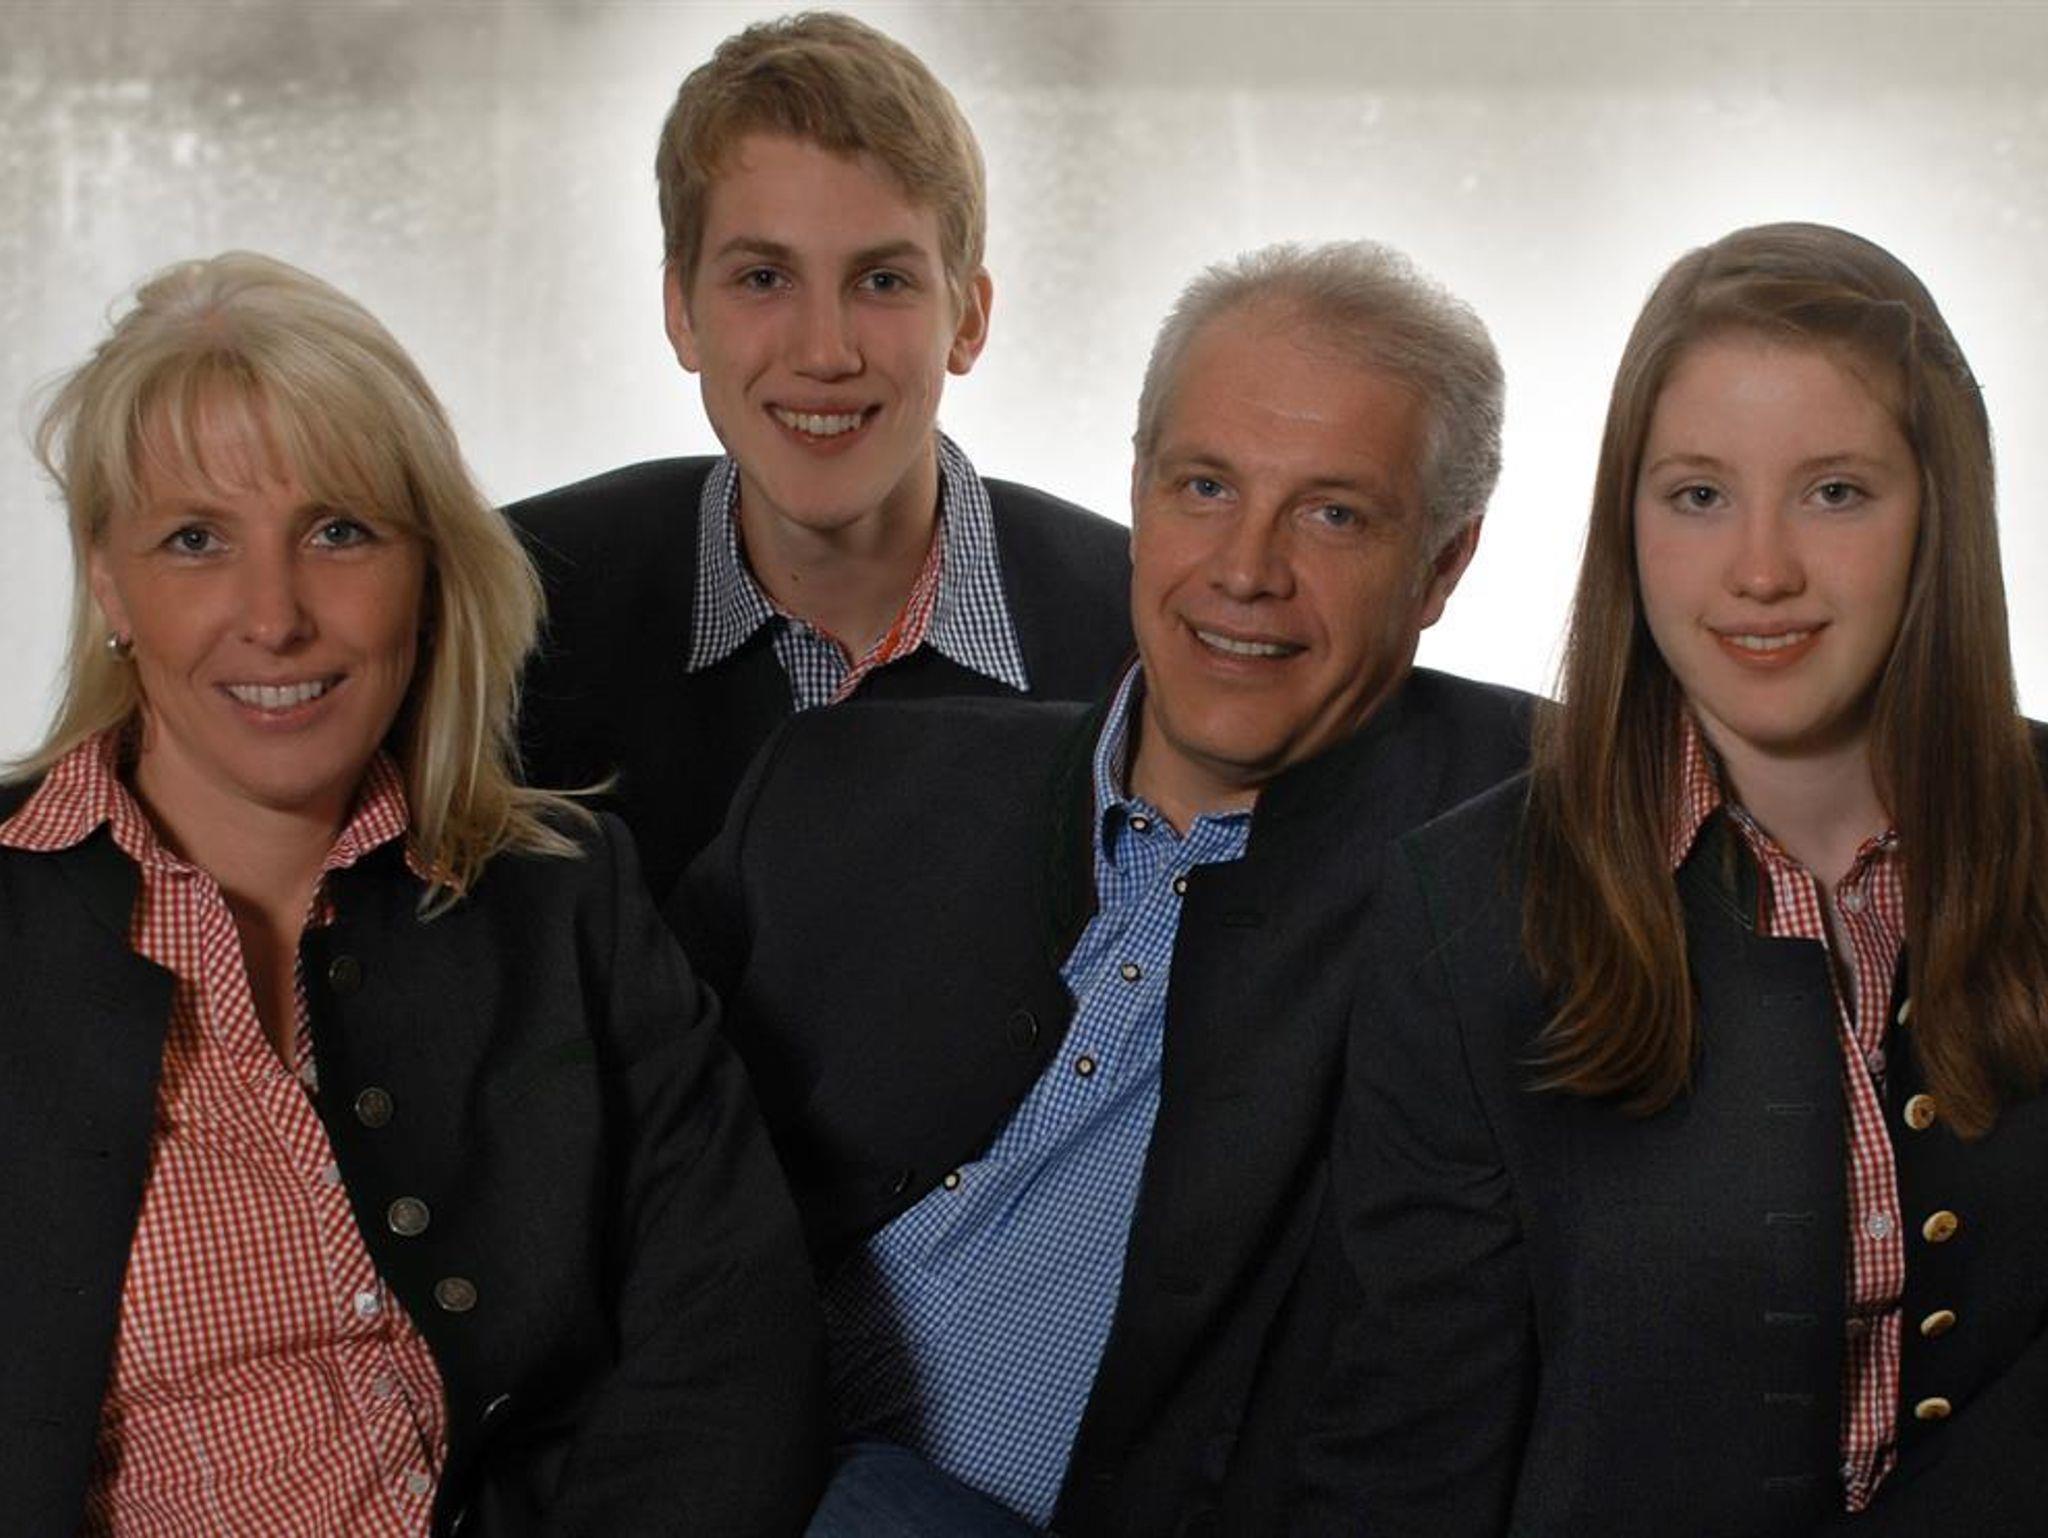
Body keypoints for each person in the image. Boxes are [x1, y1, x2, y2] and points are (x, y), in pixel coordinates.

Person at [674, 239, 1533, 1537]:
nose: (1244, 569)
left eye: (1333, 515)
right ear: (1137, 486)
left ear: (1445, 564)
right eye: (1205, 486)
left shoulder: (1525, 858)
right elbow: (604, 1200)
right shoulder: (841, 784)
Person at [0, 252, 823, 1537]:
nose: (274, 616)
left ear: (429, 572)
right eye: (194, 540)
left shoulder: (563, 899)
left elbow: (731, 1343)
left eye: (338, 530)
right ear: (109, 580)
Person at [1290, 223, 2048, 1537]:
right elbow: (1405, 1459)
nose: (1760, 569)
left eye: (1835, 491)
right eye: (1697, 494)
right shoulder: (1468, 909)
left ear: (1940, 511)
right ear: (1626, 523)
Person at [509, 11, 1133, 904]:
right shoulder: (518, 611)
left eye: (882, 281)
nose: (825, 352)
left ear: (968, 318)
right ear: (682, 313)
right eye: (764, 279)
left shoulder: (1140, 638)